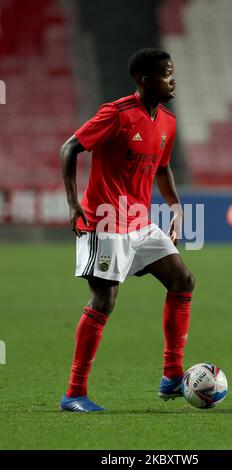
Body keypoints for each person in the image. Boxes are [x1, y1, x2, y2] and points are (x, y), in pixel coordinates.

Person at [60, 48, 195, 412]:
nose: (173, 79)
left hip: (139, 222)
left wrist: (176, 206)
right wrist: (73, 205)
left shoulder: (167, 120)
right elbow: (69, 148)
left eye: (173, 71)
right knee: (104, 301)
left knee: (183, 280)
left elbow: (162, 167)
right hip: (103, 222)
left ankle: (171, 376)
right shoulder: (116, 114)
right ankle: (74, 393)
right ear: (144, 79)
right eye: (166, 73)